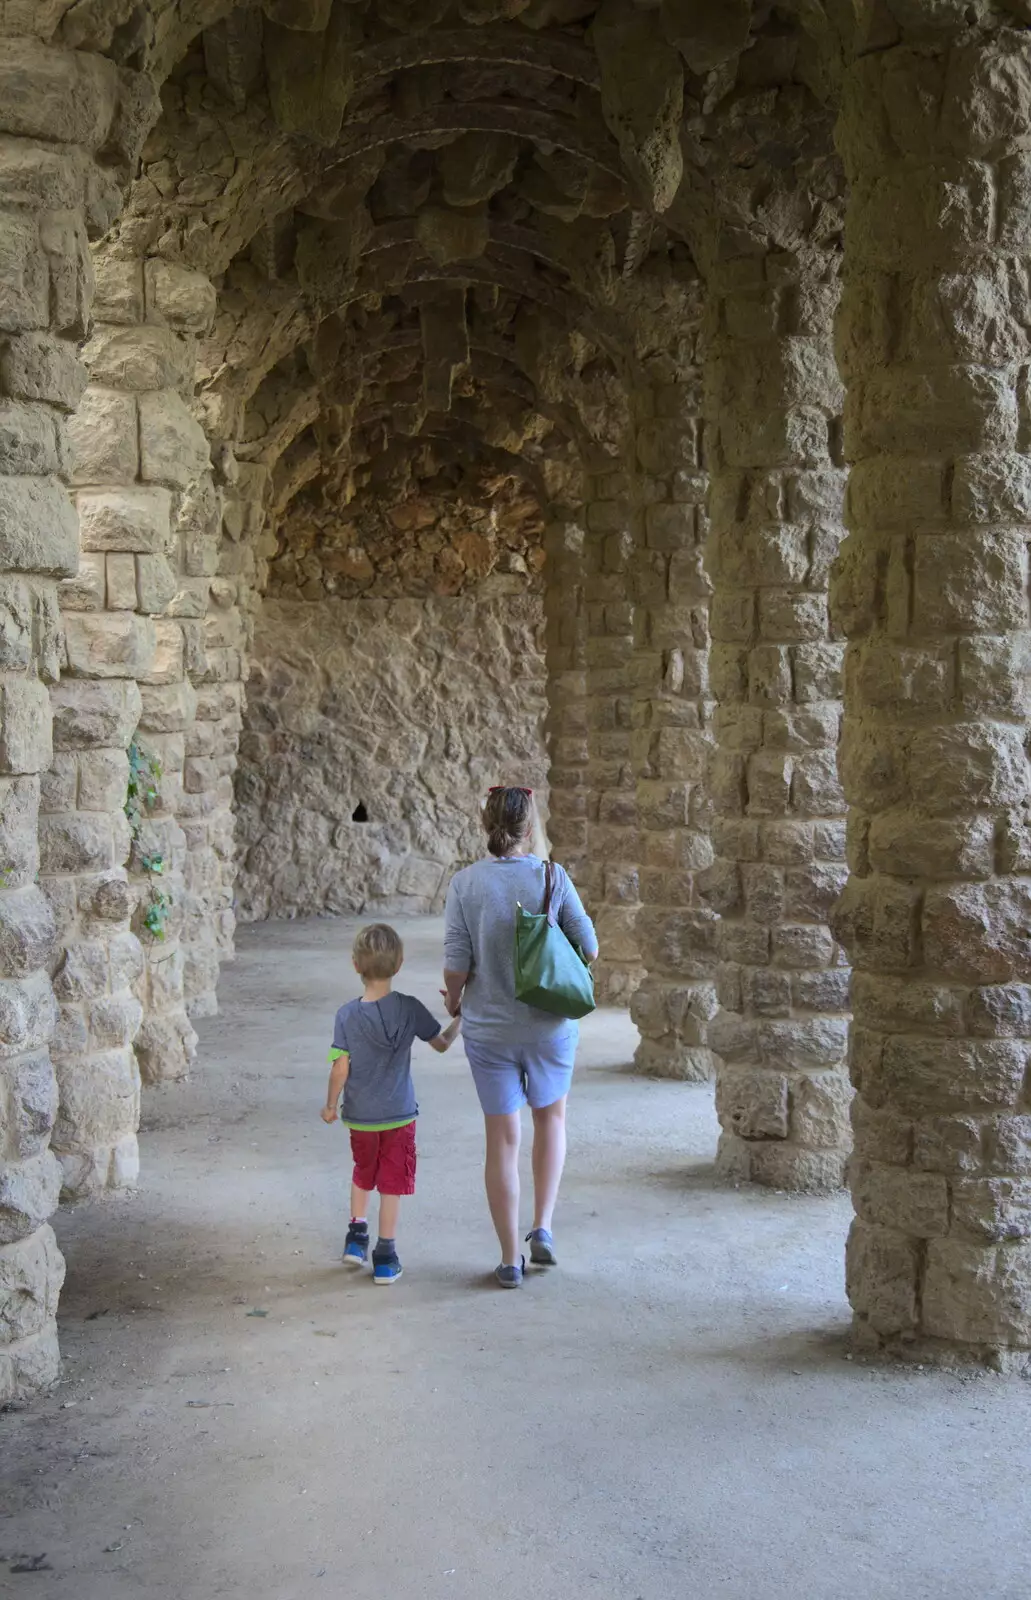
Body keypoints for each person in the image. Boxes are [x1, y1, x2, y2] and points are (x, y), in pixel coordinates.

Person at [442, 786, 598, 1288]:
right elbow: (589, 947)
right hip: (550, 1026)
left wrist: (452, 1001)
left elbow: (456, 963)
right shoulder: (553, 876)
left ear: (486, 826)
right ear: (530, 829)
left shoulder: (465, 884)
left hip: (488, 1032)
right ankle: (543, 1227)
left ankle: (510, 1260)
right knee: (551, 1119)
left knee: (501, 1140)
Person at [321, 922, 461, 1285]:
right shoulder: (410, 1009)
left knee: (362, 1172)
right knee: (392, 1184)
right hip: (399, 1115)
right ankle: (385, 1256)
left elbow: (340, 1068)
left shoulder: (346, 1015)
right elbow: (442, 1044)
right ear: (399, 964)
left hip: (361, 1116)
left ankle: (356, 1238)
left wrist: (331, 1105)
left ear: (355, 965)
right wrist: (462, 1018)